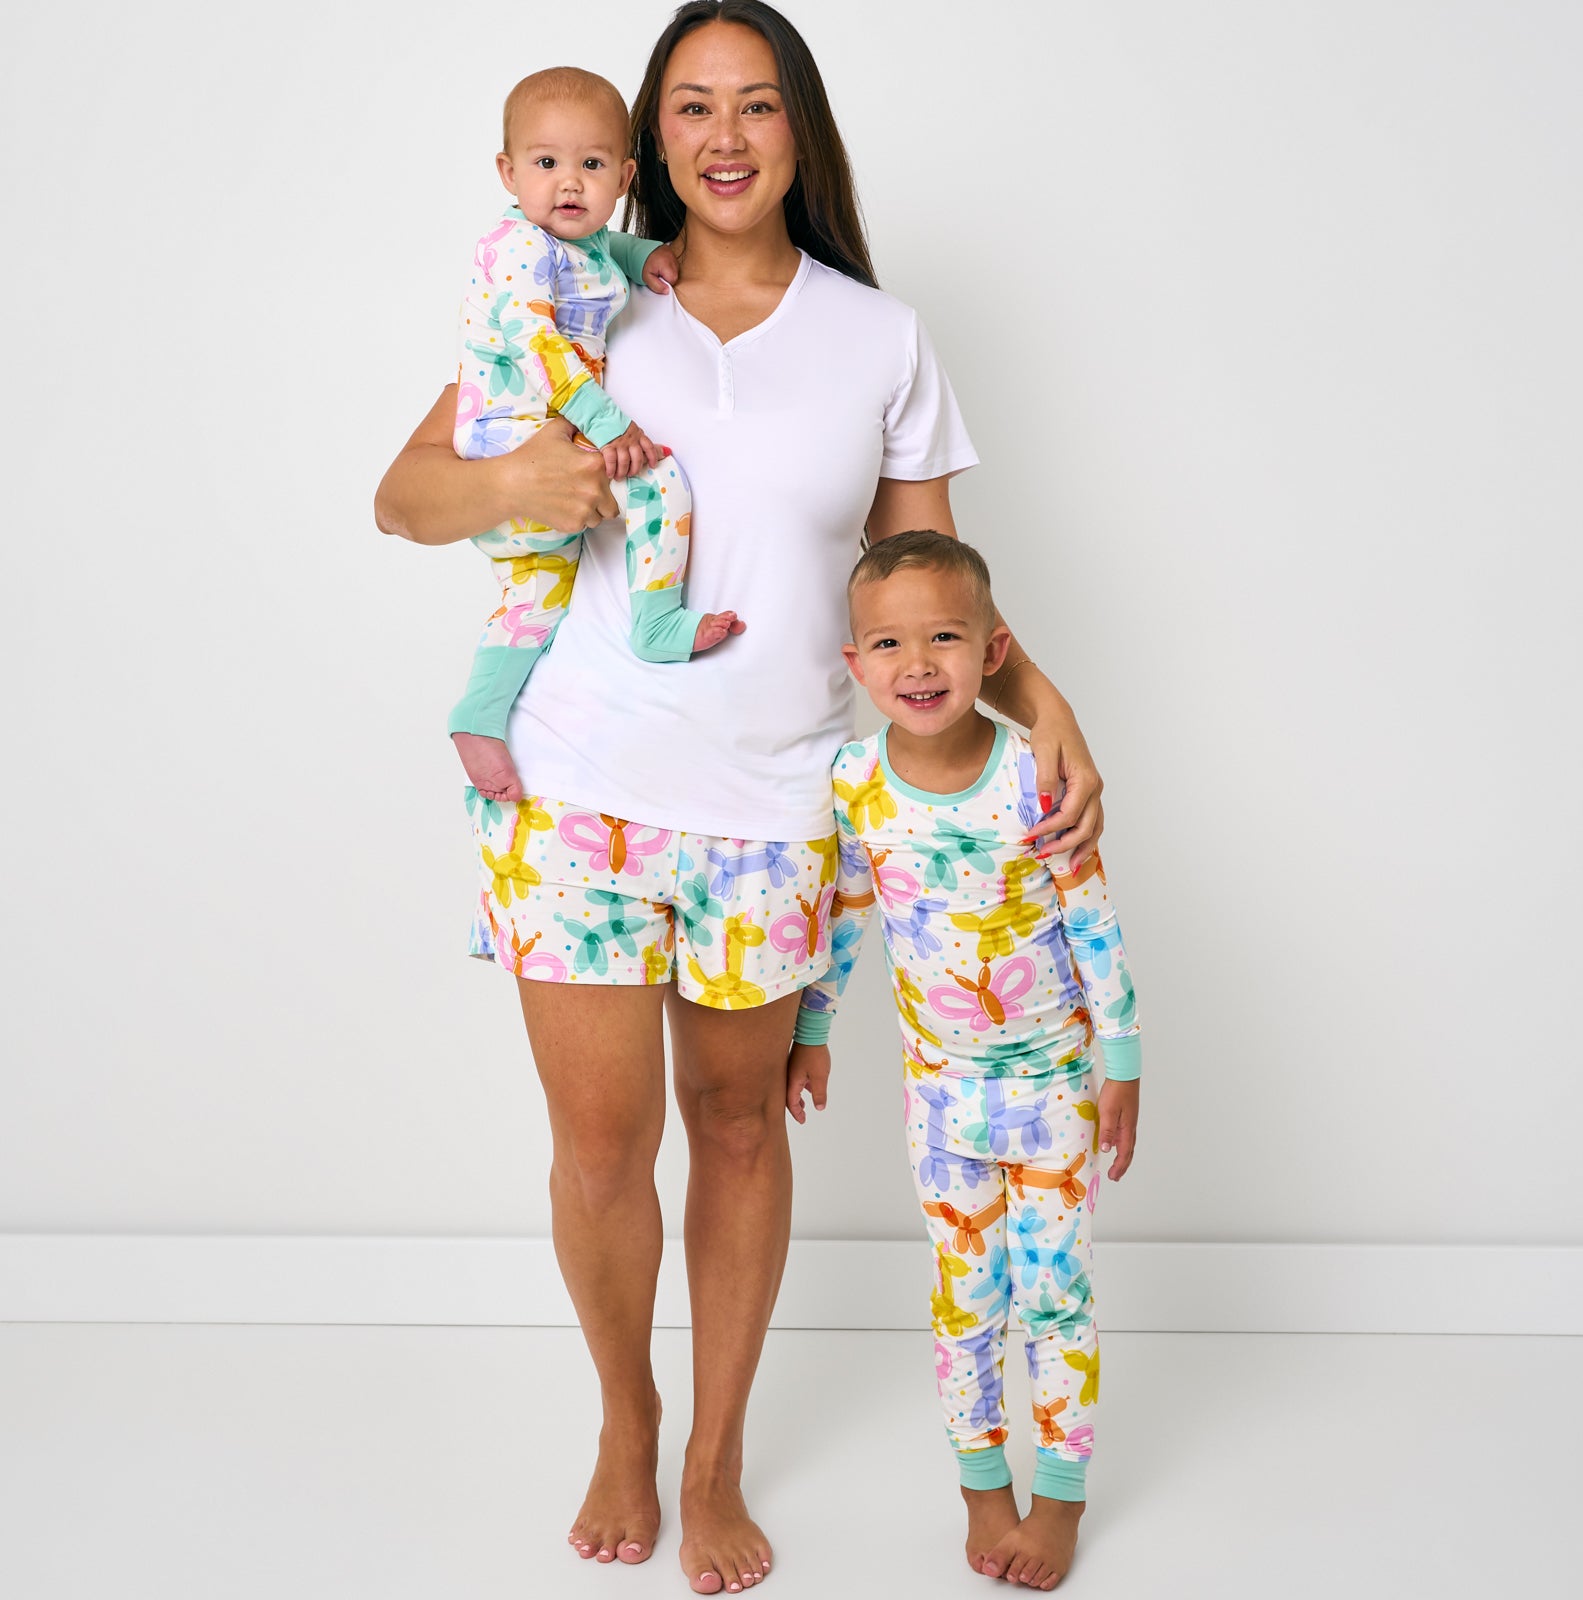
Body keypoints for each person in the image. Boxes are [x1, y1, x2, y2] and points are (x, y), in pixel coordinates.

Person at [374, 3, 1106, 1593]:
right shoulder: (577, 290)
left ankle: (716, 1457)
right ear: (646, 142)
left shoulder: (879, 335)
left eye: (755, 106)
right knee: (599, 1146)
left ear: (798, 131)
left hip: (775, 809)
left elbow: (924, 584)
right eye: (691, 107)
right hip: (571, 789)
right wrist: (520, 484)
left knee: (736, 1130)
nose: (724, 136)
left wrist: (1037, 695)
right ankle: (626, 1423)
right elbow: (405, 494)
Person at [785, 531, 1142, 1591]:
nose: (918, 662)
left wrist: (1120, 1056)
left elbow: (1091, 912)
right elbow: (844, 912)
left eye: (944, 635)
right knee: (963, 1299)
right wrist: (811, 1031)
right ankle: (983, 1487)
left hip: (1050, 1097)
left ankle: (1063, 1498)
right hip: (940, 1103)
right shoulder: (854, 782)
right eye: (888, 643)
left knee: (1054, 1297)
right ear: (855, 667)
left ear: (993, 650)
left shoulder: (1036, 773)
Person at [448, 65, 741, 805]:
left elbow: (609, 253)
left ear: (625, 177)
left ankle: (479, 714)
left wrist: (649, 257)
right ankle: (658, 621)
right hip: (515, 452)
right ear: (508, 172)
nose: (569, 183)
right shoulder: (514, 248)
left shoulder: (584, 246)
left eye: (592, 164)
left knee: (534, 603)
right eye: (546, 164)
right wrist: (614, 430)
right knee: (660, 482)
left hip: (541, 497)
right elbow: (539, 349)